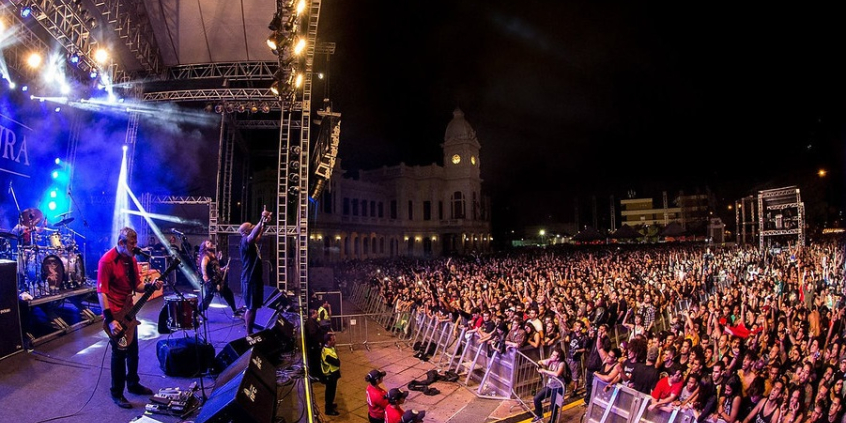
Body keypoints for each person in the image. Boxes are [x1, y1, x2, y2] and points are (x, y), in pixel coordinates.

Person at [97, 227, 163, 409]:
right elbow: (101, 293)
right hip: (116, 315)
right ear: (121, 243)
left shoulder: (132, 260)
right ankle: (116, 393)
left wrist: (152, 285)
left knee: (133, 351)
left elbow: (137, 286)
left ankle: (133, 384)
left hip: (129, 312)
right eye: (132, 244)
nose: (135, 246)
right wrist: (110, 320)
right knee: (120, 353)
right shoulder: (107, 261)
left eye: (135, 243)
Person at [239, 207, 272, 334]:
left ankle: (248, 325)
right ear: (246, 231)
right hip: (249, 278)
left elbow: (258, 235)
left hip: (255, 278)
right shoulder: (245, 241)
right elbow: (253, 236)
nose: (254, 226)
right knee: (251, 307)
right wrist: (261, 219)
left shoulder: (252, 242)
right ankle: (249, 333)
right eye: (251, 226)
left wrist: (264, 222)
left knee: (254, 306)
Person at [197, 239, 242, 316]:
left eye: (210, 242)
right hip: (212, 281)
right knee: (208, 299)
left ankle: (235, 310)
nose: (210, 244)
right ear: (204, 246)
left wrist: (222, 269)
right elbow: (203, 266)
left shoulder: (213, 255)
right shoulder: (206, 256)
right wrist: (205, 275)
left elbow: (215, 268)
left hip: (218, 280)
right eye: (208, 243)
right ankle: (197, 312)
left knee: (229, 294)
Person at [532, 345, 567, 422]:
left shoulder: (562, 363)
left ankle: (552, 421)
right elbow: (540, 361)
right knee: (536, 398)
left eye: (554, 355)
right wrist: (539, 364)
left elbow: (557, 374)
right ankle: (539, 415)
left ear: (558, 358)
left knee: (554, 405)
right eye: (552, 354)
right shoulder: (551, 360)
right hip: (550, 385)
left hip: (559, 387)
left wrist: (544, 371)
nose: (551, 355)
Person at [321, 332, 341, 416]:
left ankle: (330, 404)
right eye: (333, 340)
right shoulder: (328, 354)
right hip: (330, 375)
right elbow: (337, 363)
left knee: (331, 391)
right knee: (330, 392)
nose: (335, 341)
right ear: (328, 342)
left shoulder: (328, 348)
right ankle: (328, 409)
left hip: (333, 374)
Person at [305, 309, 323, 381]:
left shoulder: (312, 322)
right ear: (313, 314)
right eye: (316, 313)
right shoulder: (310, 323)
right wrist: (318, 342)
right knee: (314, 361)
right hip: (313, 346)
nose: (318, 314)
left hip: (314, 346)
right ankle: (314, 376)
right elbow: (313, 334)